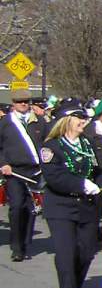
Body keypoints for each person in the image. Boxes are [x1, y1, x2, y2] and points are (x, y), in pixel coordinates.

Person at [40, 100, 102, 288]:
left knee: (86, 252)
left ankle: (72, 285)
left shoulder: (88, 143)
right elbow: (54, 177)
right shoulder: (51, 147)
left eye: (84, 118)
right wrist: (81, 184)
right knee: (66, 254)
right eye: (79, 117)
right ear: (66, 120)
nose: (84, 122)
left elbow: (98, 171)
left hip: (87, 206)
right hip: (61, 206)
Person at [0, 93, 43, 261]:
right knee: (17, 206)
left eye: (26, 102)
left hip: (35, 171)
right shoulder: (5, 123)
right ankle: (16, 247)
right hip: (14, 171)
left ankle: (25, 243)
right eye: (19, 102)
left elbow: (47, 144)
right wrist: (3, 164)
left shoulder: (38, 122)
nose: (23, 104)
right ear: (14, 103)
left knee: (30, 209)